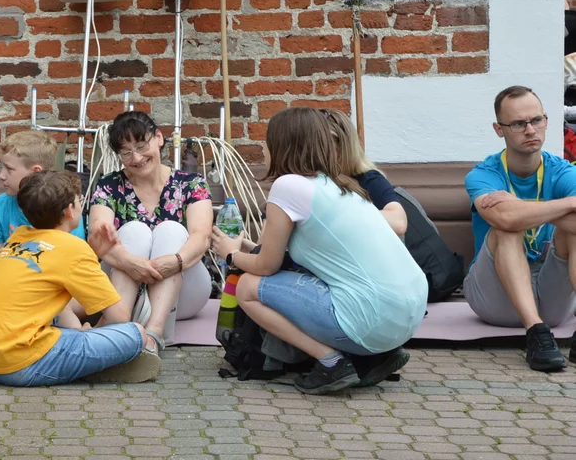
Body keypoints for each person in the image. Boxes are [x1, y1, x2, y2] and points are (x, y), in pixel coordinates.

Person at [212, 107, 427, 394]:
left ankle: (332, 362)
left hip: (371, 320)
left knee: (249, 287)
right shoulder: (342, 185)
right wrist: (248, 247)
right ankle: (373, 355)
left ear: (283, 145)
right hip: (407, 318)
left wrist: (229, 254)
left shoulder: (288, 185)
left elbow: (267, 267)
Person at [0, 170, 162, 386]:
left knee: (62, 308)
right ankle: (89, 365)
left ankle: (82, 353)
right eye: (79, 200)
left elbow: (57, 272)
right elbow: (120, 316)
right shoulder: (73, 247)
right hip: (21, 364)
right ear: (70, 210)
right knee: (135, 334)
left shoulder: (18, 236)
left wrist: (93, 255)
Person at [464, 85, 576, 372]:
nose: (530, 130)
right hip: (493, 298)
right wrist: (564, 205)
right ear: (499, 129)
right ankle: (536, 334)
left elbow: (518, 214)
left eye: (536, 120)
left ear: (547, 121)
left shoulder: (562, 171)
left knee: (572, 231)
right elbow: (506, 220)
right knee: (505, 229)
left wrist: (519, 206)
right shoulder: (483, 174)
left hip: (552, 299)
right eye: (518, 123)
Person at [87, 111, 213, 352]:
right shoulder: (109, 185)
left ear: (158, 138)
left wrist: (174, 262)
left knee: (171, 230)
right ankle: (119, 326)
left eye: (141, 145)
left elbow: (202, 237)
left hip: (184, 290)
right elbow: (97, 236)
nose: (136, 158)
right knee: (133, 230)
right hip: (122, 288)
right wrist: (131, 263)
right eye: (126, 152)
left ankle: (154, 334)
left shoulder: (191, 184)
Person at [0, 130, 86, 272]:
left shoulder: (66, 206)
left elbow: (75, 261)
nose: (1, 175)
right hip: (11, 280)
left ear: (35, 171)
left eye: (9, 169)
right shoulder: (0, 205)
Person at [324, 109, 408, 236]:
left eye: (321, 145)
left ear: (341, 147)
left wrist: (345, 212)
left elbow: (399, 223)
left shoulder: (370, 178)